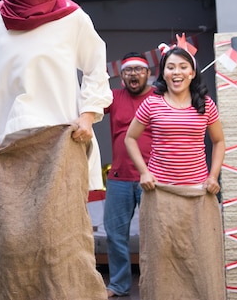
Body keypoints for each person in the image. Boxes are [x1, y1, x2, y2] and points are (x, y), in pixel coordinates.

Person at [0, 0, 113, 299]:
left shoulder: (72, 16)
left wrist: (87, 116)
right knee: (10, 244)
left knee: (59, 244)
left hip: (60, 144)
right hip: (8, 147)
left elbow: (97, 66)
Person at [124, 40, 226, 300]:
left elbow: (219, 141)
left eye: (182, 67)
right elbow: (130, 138)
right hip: (161, 196)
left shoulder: (205, 104)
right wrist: (144, 172)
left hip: (198, 196)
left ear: (192, 73)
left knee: (200, 260)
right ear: (163, 73)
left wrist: (213, 176)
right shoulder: (152, 103)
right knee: (160, 262)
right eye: (170, 67)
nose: (176, 72)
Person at [103, 52, 155, 298]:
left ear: (148, 74)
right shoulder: (113, 97)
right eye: (128, 70)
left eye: (139, 69)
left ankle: (155, 284)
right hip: (119, 178)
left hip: (153, 178)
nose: (133, 74)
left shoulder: (159, 97)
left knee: (155, 236)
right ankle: (119, 285)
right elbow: (88, 102)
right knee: (115, 235)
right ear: (122, 76)